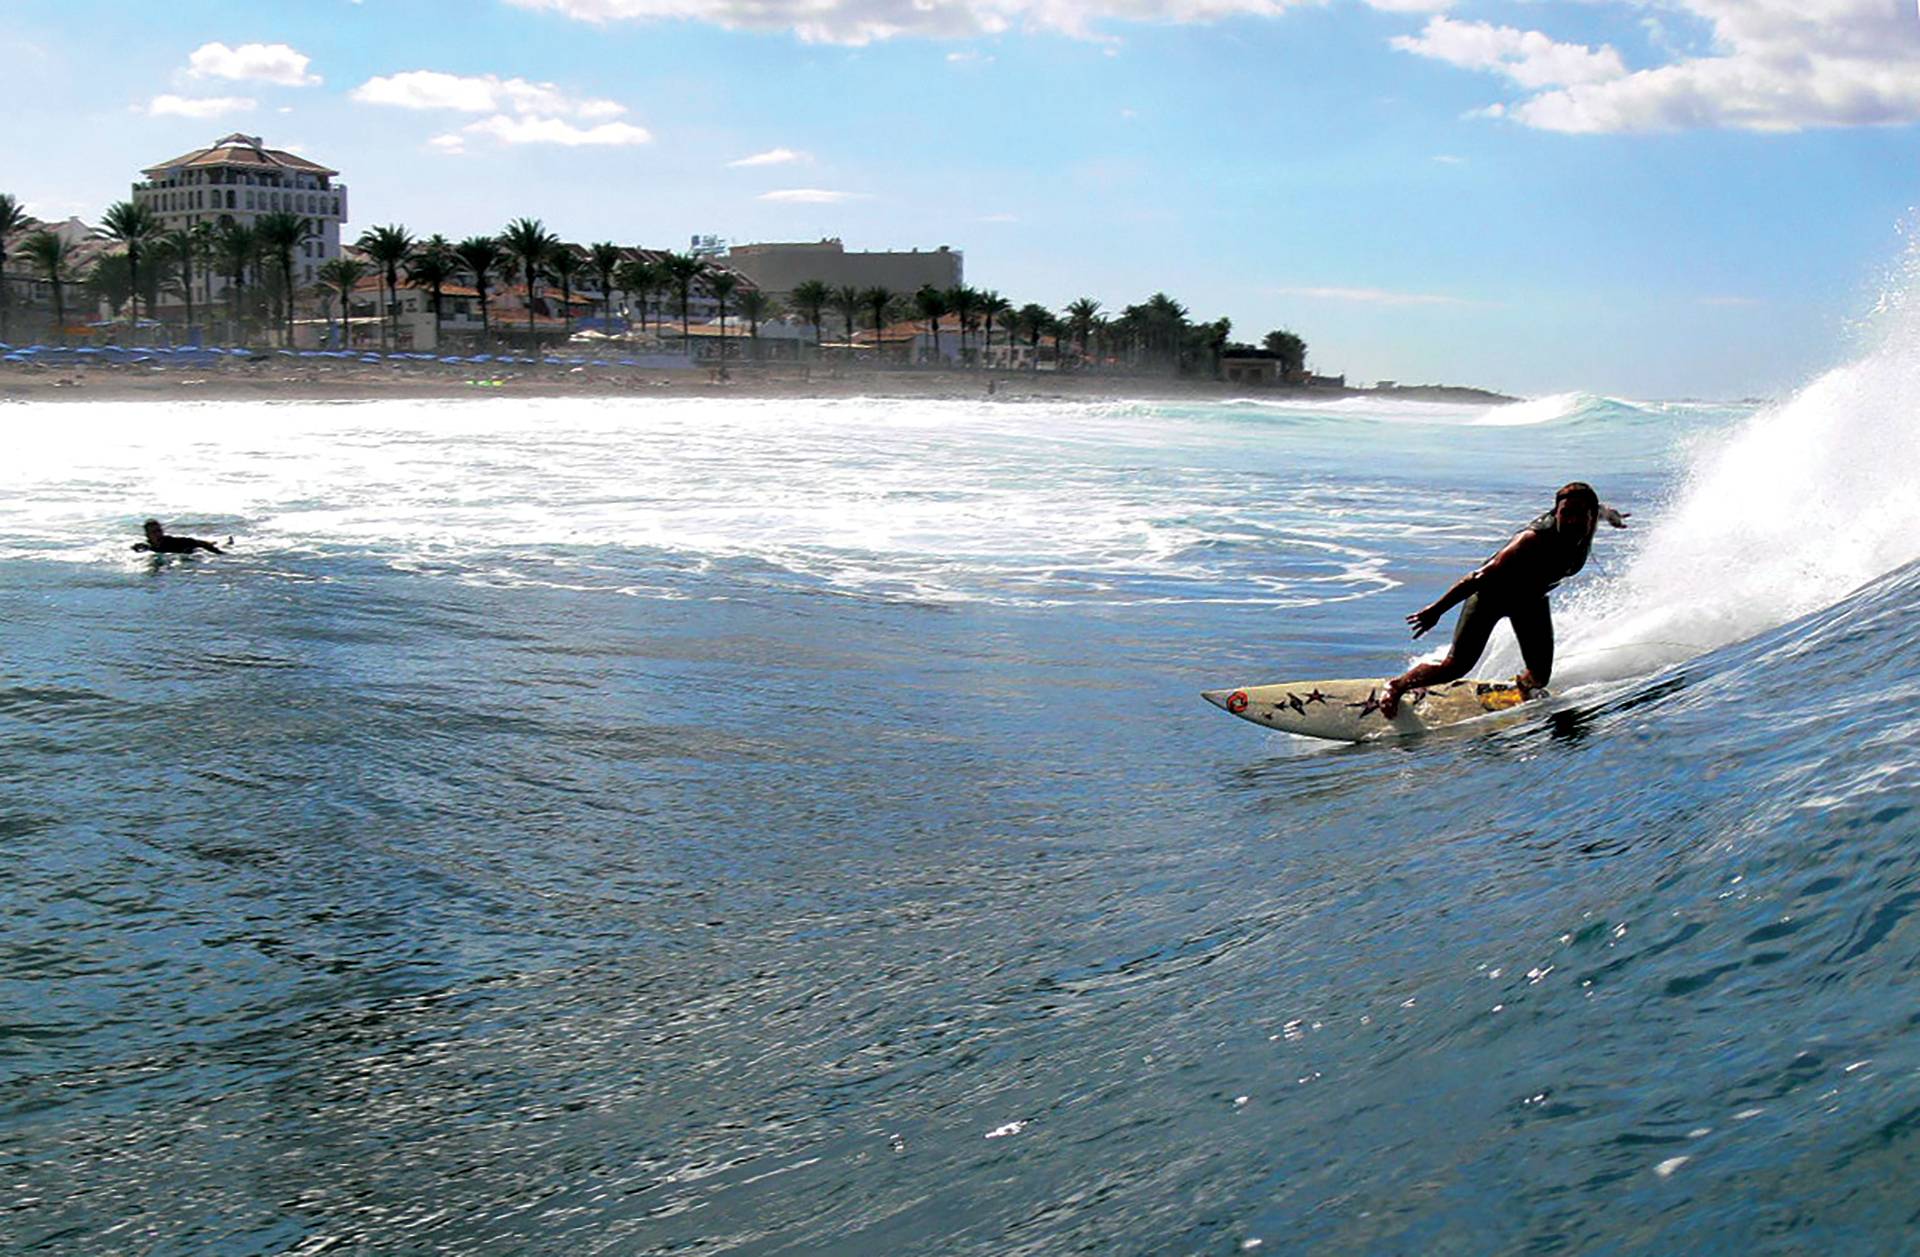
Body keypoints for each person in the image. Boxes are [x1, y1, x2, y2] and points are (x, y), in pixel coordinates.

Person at [1380, 482, 1628, 718]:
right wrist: (1436, 610)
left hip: (1531, 602)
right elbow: (1477, 578)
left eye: (1581, 515)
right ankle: (1397, 685)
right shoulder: (1531, 540)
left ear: (1592, 517)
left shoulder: (1589, 524)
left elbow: (1602, 509)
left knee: (1540, 677)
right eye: (1566, 513)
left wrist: (1612, 516)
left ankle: (1522, 686)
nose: (1572, 520)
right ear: (1557, 512)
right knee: (1456, 667)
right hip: (1490, 598)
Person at [132, 518, 225, 555]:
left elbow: (196, 543)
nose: (158, 534)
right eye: (154, 532)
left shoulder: (172, 541)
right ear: (147, 535)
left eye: (159, 531)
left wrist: (219, 553)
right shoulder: (147, 546)